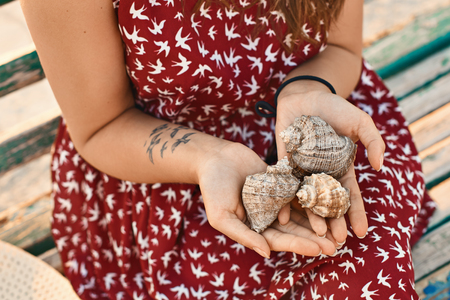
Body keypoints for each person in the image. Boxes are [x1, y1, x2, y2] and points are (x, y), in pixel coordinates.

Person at [20, 0, 435, 298]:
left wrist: (304, 90)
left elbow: (341, 49)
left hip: (316, 122)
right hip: (167, 166)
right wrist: (207, 158)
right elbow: (101, 127)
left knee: (366, 272)